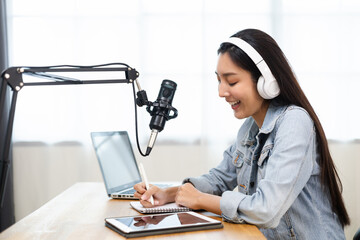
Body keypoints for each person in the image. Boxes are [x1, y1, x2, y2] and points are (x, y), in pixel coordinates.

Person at [134, 28, 350, 239]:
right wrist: (169, 194)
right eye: (219, 80)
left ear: (267, 82)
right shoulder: (250, 126)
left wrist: (199, 199)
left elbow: (266, 209)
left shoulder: (294, 122)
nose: (221, 92)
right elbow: (219, 179)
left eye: (232, 81)